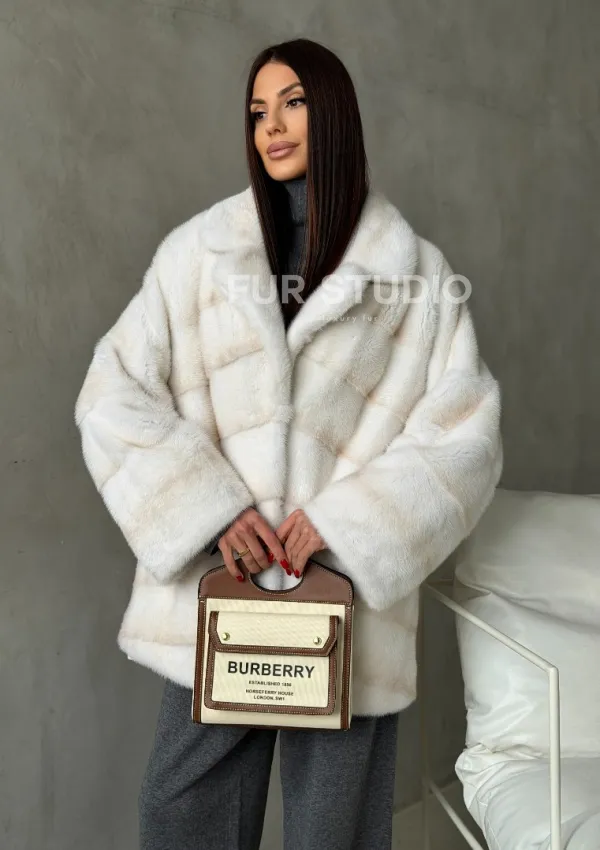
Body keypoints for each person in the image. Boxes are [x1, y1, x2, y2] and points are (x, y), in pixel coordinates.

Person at [74, 37, 502, 850]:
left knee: (332, 833)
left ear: (333, 112)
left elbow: (465, 435)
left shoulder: (414, 275)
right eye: (257, 111)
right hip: (219, 596)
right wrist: (210, 510)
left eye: (293, 103)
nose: (271, 126)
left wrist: (345, 524)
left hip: (346, 605)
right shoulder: (198, 255)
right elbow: (112, 391)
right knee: (180, 810)